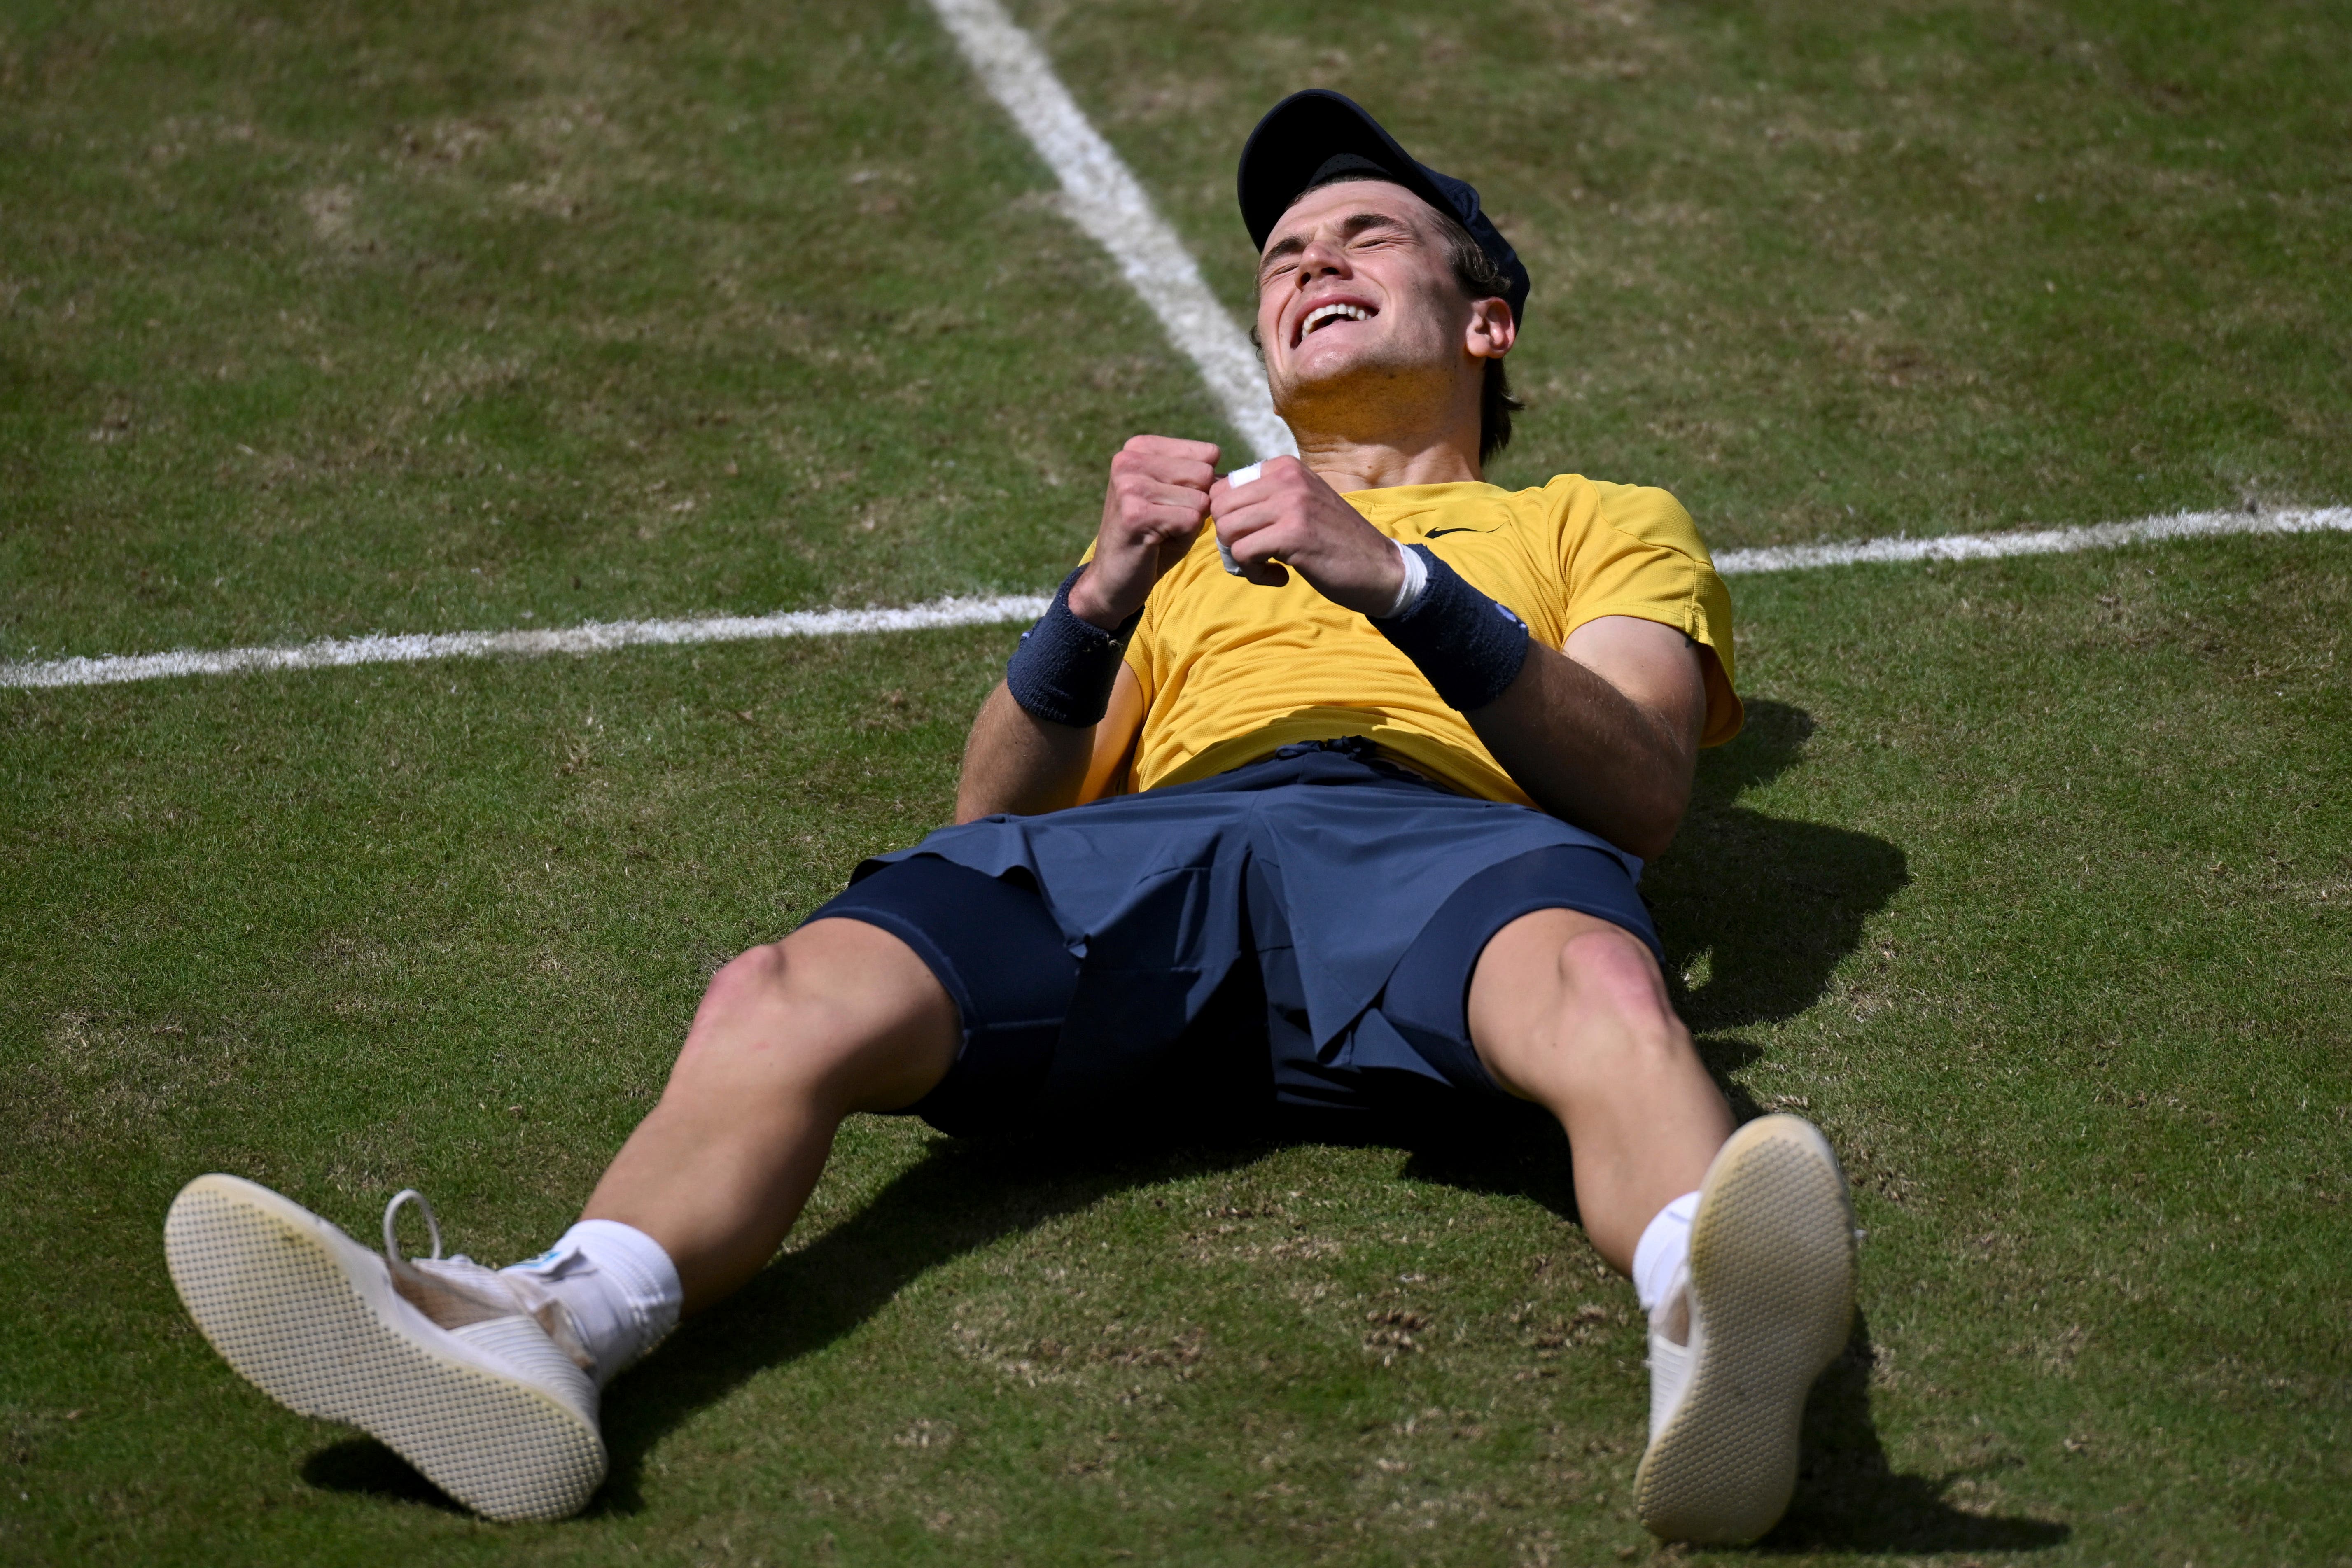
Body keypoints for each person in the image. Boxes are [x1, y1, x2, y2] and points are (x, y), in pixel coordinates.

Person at [163, 89, 1857, 1545]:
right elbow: (993, 817)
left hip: (1452, 849)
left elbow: (1635, 787)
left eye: (1366, 234)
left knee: (1607, 994)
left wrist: (1402, 588)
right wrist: (1099, 591)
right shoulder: (1195, 555)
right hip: (1172, 856)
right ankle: (558, 1318)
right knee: (784, 987)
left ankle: (1703, 1321)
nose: (1310, 262)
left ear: (1487, 324)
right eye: (1282, 258)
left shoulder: (1599, 518)